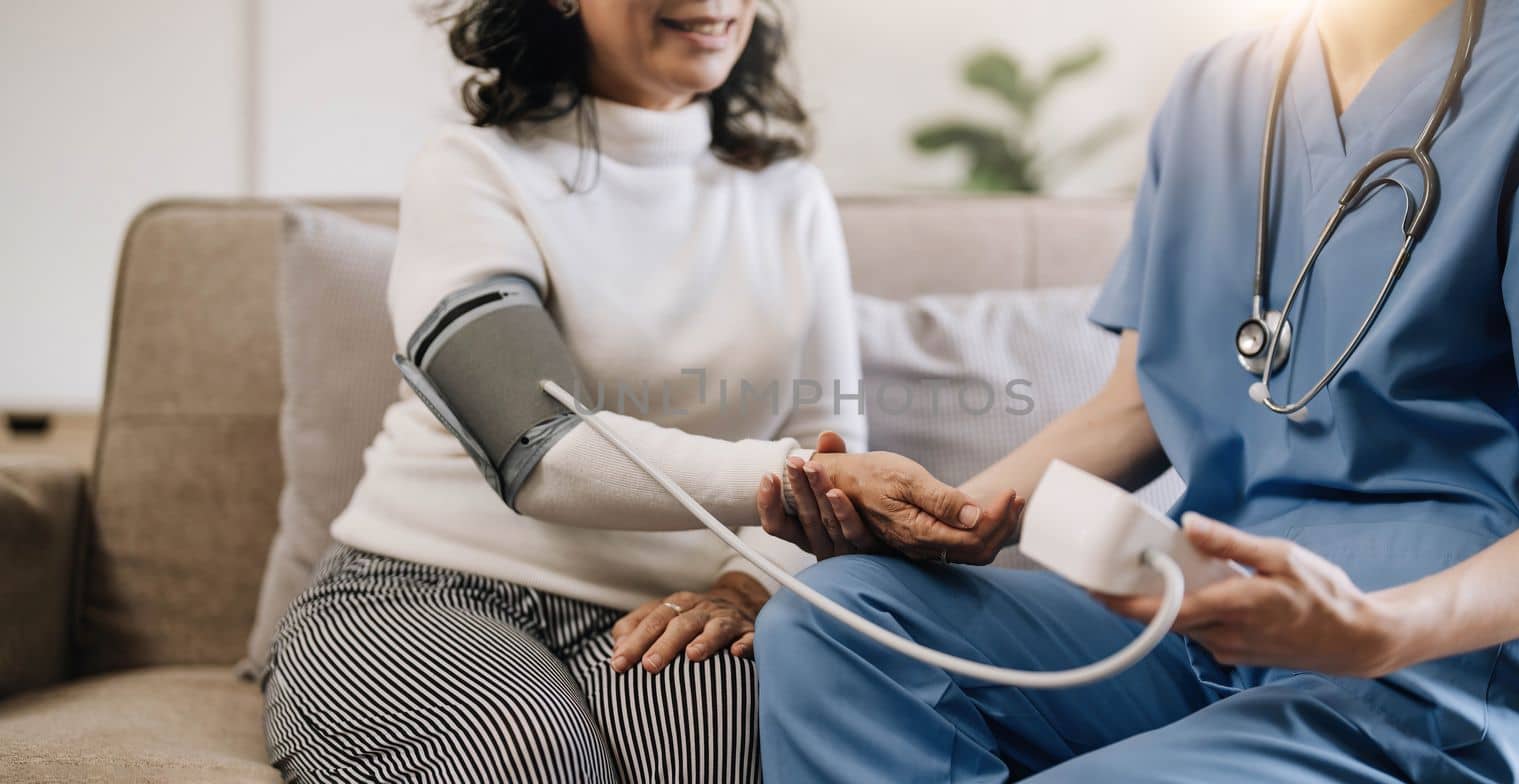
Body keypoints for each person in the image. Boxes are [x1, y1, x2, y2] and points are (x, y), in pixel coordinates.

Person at [752, 0, 1519, 781]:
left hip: (1424, 670)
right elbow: (1136, 404)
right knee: (837, 623)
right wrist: (948, 517)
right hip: (1206, 618)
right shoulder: (1218, 88)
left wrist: (1380, 632)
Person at [255, 1, 992, 781]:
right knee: (520, 756)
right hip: (424, 587)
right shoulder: (472, 172)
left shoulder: (790, 194)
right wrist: (805, 474)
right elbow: (538, 449)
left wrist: (746, 584)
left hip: (677, 608)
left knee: (720, 753)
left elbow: (826, 439)